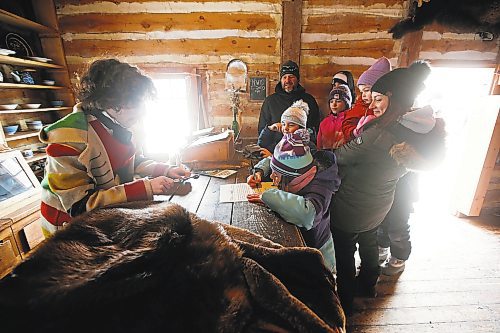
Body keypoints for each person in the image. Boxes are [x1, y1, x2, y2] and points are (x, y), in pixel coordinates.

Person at [330, 61, 446, 315]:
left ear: (394, 99)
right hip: (379, 203)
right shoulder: (412, 131)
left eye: (378, 99)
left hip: (352, 204)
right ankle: (368, 285)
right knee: (369, 240)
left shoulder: (380, 135)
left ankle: (345, 300)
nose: (371, 105)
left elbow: (341, 156)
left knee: (345, 249)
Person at [39, 58, 190, 236]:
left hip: (106, 217)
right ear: (108, 101)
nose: (142, 111)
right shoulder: (68, 138)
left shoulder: (121, 123)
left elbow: (132, 159)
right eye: (134, 103)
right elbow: (80, 207)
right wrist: (146, 187)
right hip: (68, 230)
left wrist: (165, 170)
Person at [247, 129, 341, 272]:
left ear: (291, 177)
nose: (272, 177)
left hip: (320, 258)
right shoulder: (300, 164)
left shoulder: (321, 184)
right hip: (305, 248)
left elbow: (307, 215)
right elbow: (274, 159)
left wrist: (268, 196)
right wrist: (260, 171)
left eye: (276, 175)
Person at [257, 60, 321, 140]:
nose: (287, 81)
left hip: (302, 150)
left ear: (297, 79)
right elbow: (262, 130)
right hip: (273, 150)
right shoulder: (270, 101)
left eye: (291, 77)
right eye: (284, 77)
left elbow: (315, 129)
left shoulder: (309, 100)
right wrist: (272, 151)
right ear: (281, 80)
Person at [342, 57, 392, 141]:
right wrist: (354, 132)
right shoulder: (360, 105)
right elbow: (347, 124)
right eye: (361, 92)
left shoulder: (388, 107)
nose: (363, 95)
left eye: (366, 90)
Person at [317, 84, 352, 150]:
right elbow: (319, 146)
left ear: (346, 104)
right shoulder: (324, 122)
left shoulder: (349, 121)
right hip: (327, 157)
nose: (334, 104)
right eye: (331, 101)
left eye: (338, 101)